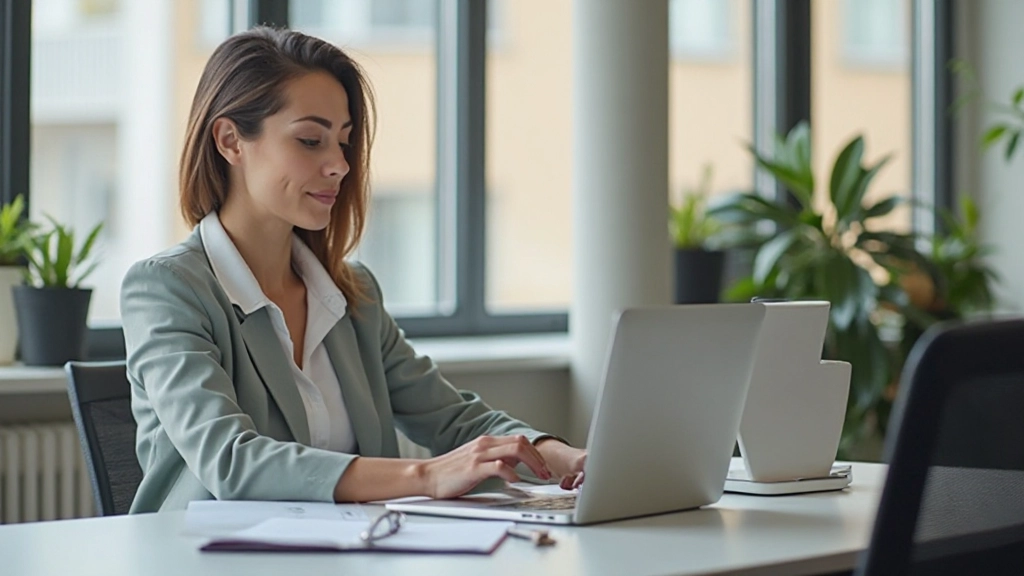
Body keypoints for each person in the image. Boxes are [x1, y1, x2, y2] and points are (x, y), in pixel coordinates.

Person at [120, 27, 586, 513]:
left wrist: (566, 457)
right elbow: (231, 461)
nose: (339, 165)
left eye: (343, 142)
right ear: (231, 140)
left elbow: (454, 420)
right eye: (309, 140)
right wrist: (426, 474)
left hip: (353, 552)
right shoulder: (167, 290)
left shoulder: (352, 293)